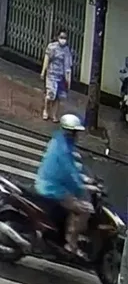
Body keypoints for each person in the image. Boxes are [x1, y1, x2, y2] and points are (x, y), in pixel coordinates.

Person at [36, 113, 92, 250]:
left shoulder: (58, 142)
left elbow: (72, 167)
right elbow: (70, 173)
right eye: (76, 132)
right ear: (71, 132)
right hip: (52, 188)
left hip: (46, 182)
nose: (77, 135)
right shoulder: (63, 149)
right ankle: (71, 243)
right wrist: (83, 186)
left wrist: (85, 178)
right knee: (86, 209)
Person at [43, 29, 75, 121]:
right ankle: (46, 110)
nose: (63, 39)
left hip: (61, 77)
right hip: (51, 74)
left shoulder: (67, 51)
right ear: (57, 37)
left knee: (58, 97)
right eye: (61, 37)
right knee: (50, 95)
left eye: (65, 38)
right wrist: (43, 71)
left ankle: (54, 115)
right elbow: (47, 59)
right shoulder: (52, 47)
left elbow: (68, 66)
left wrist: (68, 80)